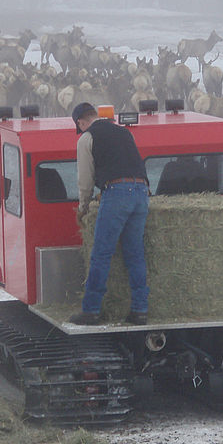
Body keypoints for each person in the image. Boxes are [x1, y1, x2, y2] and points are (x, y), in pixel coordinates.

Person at [68, 102, 150, 326]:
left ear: (81, 122)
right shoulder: (124, 132)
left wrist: (83, 207)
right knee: (135, 254)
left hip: (117, 193)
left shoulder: (86, 138)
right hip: (142, 192)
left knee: (102, 254)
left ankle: (91, 311)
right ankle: (140, 310)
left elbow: (85, 179)